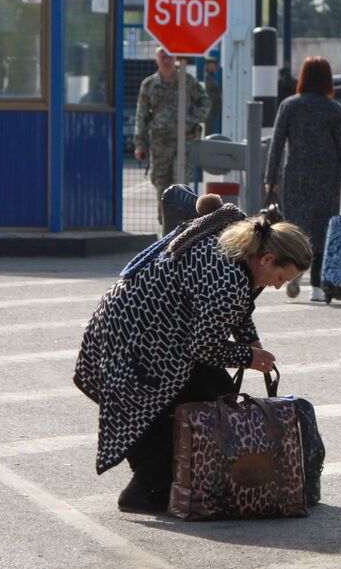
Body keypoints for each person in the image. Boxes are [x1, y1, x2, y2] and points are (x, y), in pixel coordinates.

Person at [74, 204, 314, 514]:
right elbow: (204, 346)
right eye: (281, 277)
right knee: (204, 401)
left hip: (128, 326)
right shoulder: (229, 279)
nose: (279, 285)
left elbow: (235, 308)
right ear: (267, 259)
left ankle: (163, 481)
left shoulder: (235, 247)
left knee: (207, 396)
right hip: (139, 341)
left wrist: (250, 340)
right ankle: (147, 490)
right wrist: (248, 356)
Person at [266, 57, 341, 302]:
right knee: (324, 230)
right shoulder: (334, 109)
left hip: (295, 176)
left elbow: (277, 143)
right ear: (327, 79)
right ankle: (317, 287)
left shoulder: (289, 105)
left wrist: (271, 178)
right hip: (327, 178)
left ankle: (294, 274)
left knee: (296, 228)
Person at [135, 47, 211, 233]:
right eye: (162, 57)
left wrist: (190, 119)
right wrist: (140, 144)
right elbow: (142, 115)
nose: (166, 61)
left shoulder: (187, 81)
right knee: (161, 185)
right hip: (160, 143)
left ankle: (183, 230)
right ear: (156, 59)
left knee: (182, 185)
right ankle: (165, 229)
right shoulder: (149, 84)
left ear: (175, 58)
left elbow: (205, 102)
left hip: (183, 142)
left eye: (169, 57)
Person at [203, 57, 222, 134]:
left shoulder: (212, 78)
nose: (215, 67)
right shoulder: (207, 78)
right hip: (209, 111)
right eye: (212, 65)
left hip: (213, 111)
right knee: (208, 131)